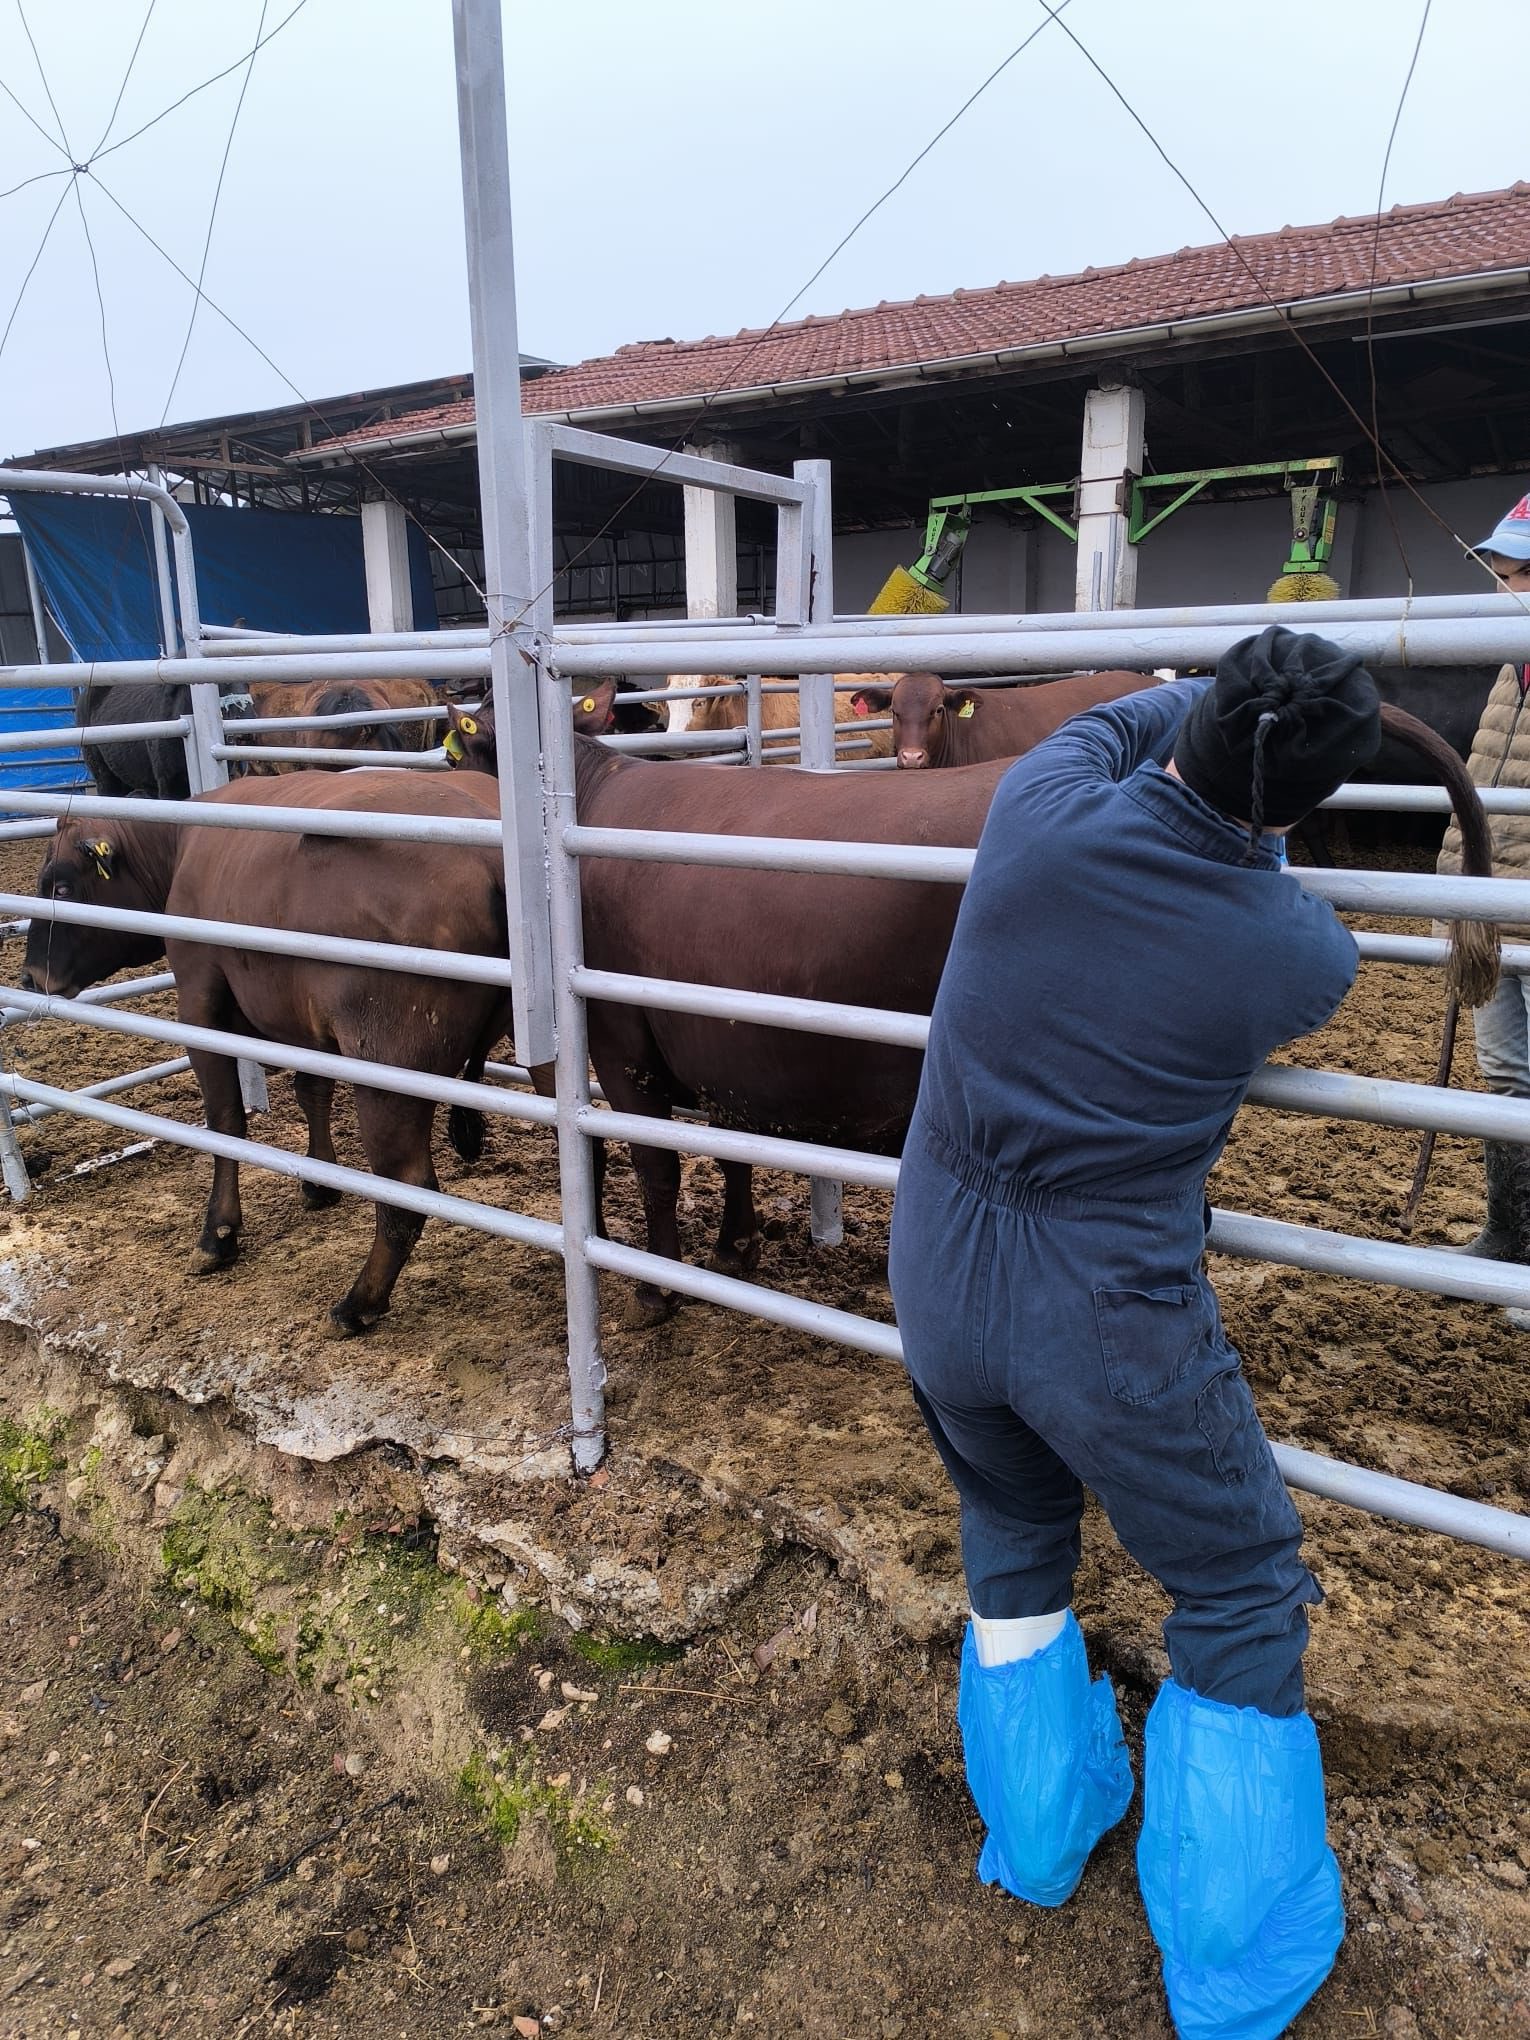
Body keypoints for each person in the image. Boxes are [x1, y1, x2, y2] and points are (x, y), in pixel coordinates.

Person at [889, 626, 1381, 2040]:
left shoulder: (1031, 815)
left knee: (1009, 1523)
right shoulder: (1298, 951)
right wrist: (1264, 783)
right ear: (1305, 804)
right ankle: (1232, 1963)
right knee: (1235, 1583)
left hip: (935, 1263)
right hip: (1098, 1305)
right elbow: (1253, 873)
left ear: (1198, 720)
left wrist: (1209, 690)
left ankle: (1038, 1840)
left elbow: (1108, 732)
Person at [1437, 493, 1530, 1271]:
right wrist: (1455, 877)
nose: (1505, 591)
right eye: (1502, 574)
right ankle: (1511, 1233)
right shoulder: (1512, 663)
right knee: (1505, 1075)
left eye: (1519, 576)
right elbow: (1483, 771)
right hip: (1492, 900)